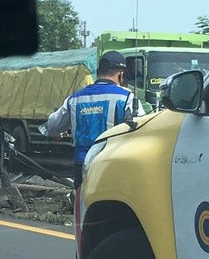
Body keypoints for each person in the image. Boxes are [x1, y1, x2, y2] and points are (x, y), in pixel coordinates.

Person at [39, 50, 142, 188]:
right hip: (111, 164)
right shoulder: (127, 97)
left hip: (81, 163)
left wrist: (55, 132)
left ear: (99, 73)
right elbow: (141, 128)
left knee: (82, 202)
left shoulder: (75, 98)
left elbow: (52, 126)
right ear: (121, 74)